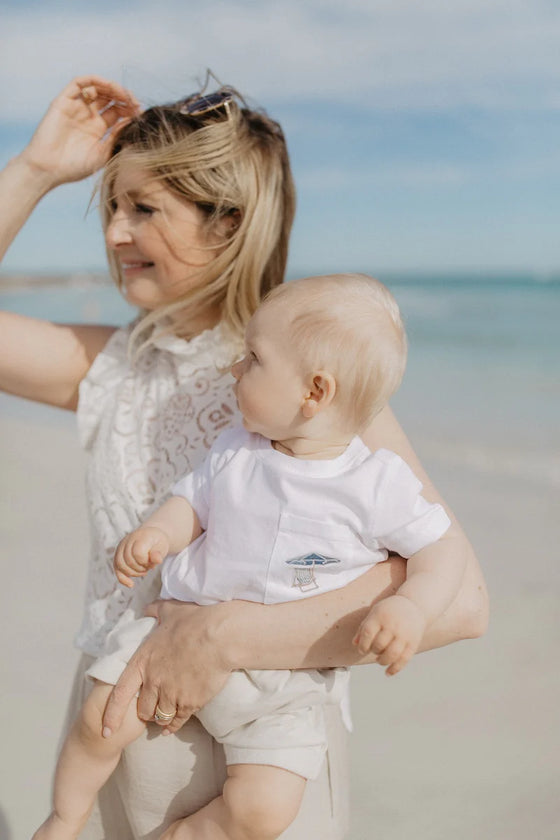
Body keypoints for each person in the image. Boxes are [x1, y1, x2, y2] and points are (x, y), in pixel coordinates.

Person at [0, 76, 488, 840]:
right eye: (113, 207)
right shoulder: (113, 365)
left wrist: (222, 636)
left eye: (145, 210)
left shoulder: (308, 394)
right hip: (112, 734)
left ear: (227, 224)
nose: (115, 235)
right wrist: (33, 169)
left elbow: (460, 601)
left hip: (252, 766)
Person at [34, 273, 461, 840]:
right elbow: (192, 502)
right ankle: (65, 818)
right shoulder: (237, 449)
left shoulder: (376, 481)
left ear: (315, 393)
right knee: (100, 720)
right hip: (174, 628)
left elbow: (440, 554)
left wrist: (411, 607)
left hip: (287, 676)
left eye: (252, 359)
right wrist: (159, 534)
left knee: (265, 809)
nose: (234, 369)